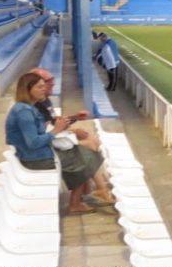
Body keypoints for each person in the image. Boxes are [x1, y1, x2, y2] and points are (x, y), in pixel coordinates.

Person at [6, 73, 98, 214]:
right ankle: (77, 202)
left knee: (82, 154)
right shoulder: (24, 112)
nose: (44, 89)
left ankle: (80, 199)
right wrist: (56, 131)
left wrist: (58, 127)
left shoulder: (29, 108)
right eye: (40, 87)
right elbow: (33, 143)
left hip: (38, 153)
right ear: (27, 89)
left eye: (44, 86)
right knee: (83, 159)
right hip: (35, 158)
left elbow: (41, 130)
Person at [29, 68, 113, 204]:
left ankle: (93, 187)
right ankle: (98, 188)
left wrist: (75, 117)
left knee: (92, 139)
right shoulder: (34, 107)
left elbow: (56, 121)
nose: (52, 84)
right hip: (47, 148)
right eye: (48, 82)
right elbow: (48, 131)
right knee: (89, 146)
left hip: (54, 141)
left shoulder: (44, 101)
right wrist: (73, 132)